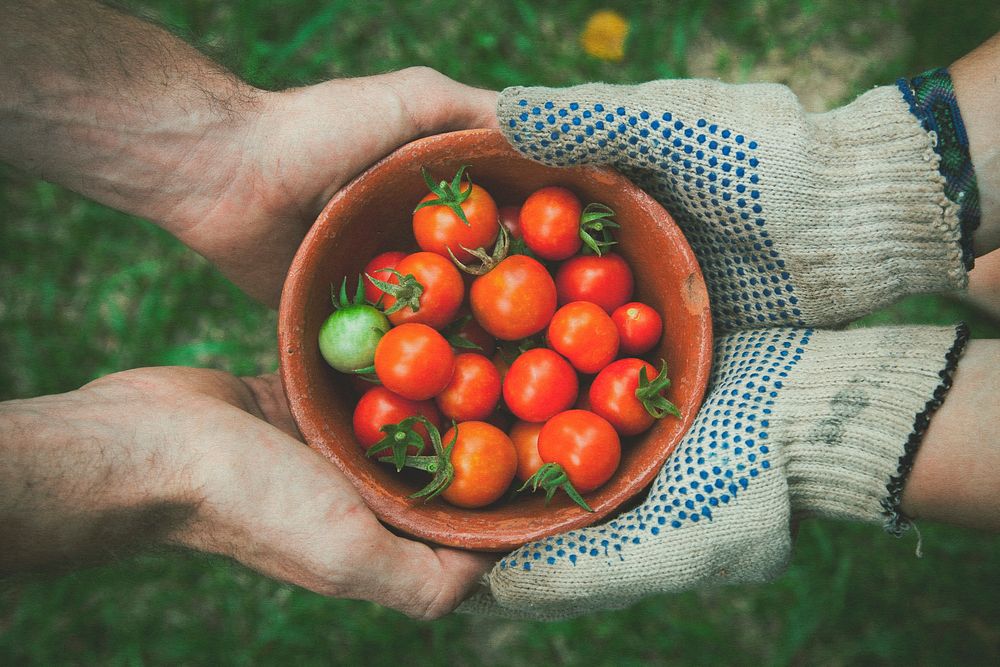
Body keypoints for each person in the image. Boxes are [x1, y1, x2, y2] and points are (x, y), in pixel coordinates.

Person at [0, 0, 996, 621]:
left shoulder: (472, 329)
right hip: (555, 373)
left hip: (557, 360)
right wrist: (162, 468)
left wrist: (876, 181)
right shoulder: (474, 350)